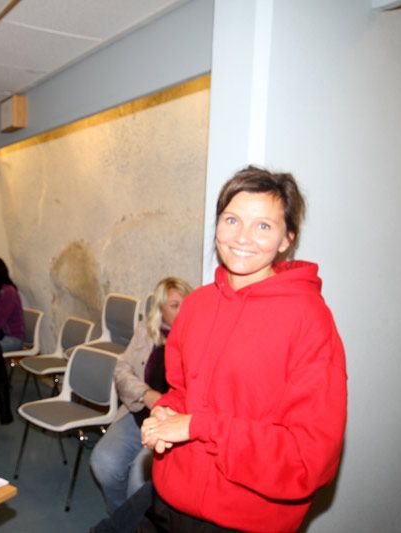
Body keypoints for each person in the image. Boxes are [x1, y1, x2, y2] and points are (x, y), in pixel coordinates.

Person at [139, 167, 347, 532]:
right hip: (169, 504)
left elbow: (308, 459)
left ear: (286, 239)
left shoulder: (309, 319)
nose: (242, 237)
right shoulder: (197, 305)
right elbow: (183, 390)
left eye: (263, 226)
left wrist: (201, 426)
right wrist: (165, 413)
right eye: (232, 220)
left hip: (246, 520)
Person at [90, 276, 192, 513]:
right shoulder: (146, 330)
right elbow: (121, 369)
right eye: (174, 305)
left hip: (172, 421)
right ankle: (121, 517)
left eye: (186, 303)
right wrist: (146, 395)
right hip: (139, 410)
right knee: (103, 462)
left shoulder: (199, 337)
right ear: (160, 309)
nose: (183, 310)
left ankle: (133, 520)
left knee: (139, 477)